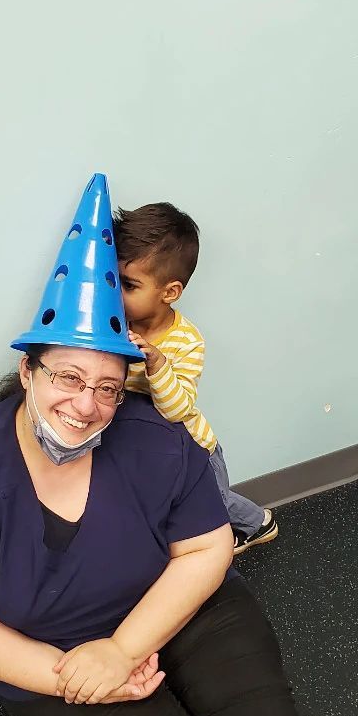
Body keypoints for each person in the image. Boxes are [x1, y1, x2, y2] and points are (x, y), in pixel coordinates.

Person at [0, 175, 323, 716]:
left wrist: (125, 649)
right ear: (27, 370)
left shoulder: (158, 440)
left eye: (107, 386)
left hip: (190, 608)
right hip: (57, 652)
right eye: (67, 377)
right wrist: (76, 673)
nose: (87, 405)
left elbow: (206, 549)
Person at [114, 202, 276, 555]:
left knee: (215, 505)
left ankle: (259, 523)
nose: (115, 293)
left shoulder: (187, 341)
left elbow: (177, 408)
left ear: (169, 292)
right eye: (112, 280)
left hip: (196, 449)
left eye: (127, 284)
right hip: (156, 446)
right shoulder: (117, 323)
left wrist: (156, 363)